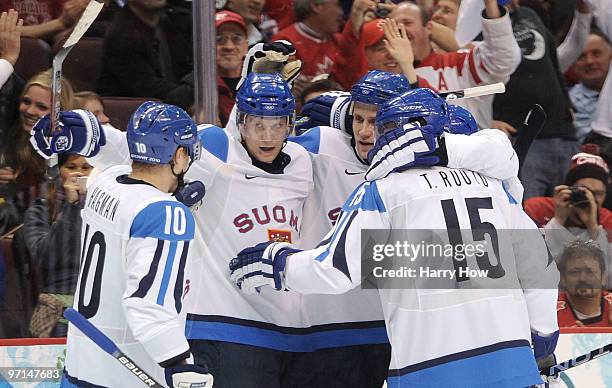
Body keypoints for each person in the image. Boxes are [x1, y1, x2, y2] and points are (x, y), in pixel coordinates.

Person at [229, 88, 560, 388]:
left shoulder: (384, 190)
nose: (375, 137)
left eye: (383, 128)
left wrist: (277, 263)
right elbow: (541, 269)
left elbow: (335, 270)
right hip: (510, 362)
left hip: (431, 367)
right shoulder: (494, 186)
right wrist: (542, 341)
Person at [51, 103, 213, 387]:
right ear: (179, 155)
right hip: (125, 374)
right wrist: (179, 363)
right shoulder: (167, 214)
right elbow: (147, 306)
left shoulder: (106, 181)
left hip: (81, 364)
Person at [23, 153, 92, 338]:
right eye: (71, 167)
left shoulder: (107, 211)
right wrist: (72, 207)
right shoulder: (40, 209)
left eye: (86, 168)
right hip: (58, 317)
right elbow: (45, 257)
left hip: (99, 311)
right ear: (57, 171)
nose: (78, 174)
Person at [524, 147, 612, 287]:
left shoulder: (607, 219)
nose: (590, 199)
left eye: (598, 193)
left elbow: (607, 279)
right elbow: (532, 267)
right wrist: (558, 221)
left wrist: (593, 228)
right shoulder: (537, 209)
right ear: (568, 188)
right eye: (585, 191)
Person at [96, 0, 193, 109]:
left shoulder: (177, 20)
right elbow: (155, 91)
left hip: (175, 105)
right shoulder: (121, 35)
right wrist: (194, 90)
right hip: (134, 115)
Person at [570, 31, 612, 142]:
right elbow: (592, 143)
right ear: (573, 65)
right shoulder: (569, 102)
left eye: (596, 54)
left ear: (610, 56)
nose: (589, 61)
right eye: (581, 57)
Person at [558, 241, 612, 327]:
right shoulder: (550, 313)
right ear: (563, 278)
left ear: (603, 277)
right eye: (575, 272)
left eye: (590, 272)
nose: (583, 279)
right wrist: (566, 338)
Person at [216, 10, 249, 127]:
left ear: (246, 45)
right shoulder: (193, 92)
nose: (229, 47)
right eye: (219, 39)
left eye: (236, 38)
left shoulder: (261, 85)